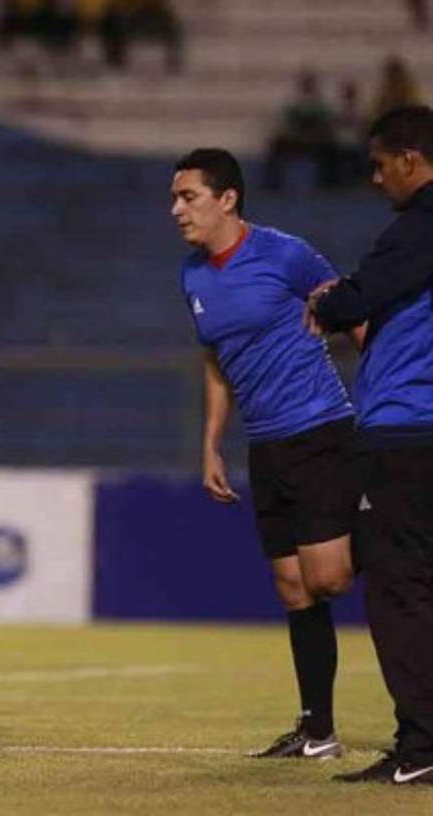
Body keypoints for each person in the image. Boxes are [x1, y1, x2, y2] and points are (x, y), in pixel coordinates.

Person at [173, 148, 360, 760]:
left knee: (328, 575)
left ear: (228, 199)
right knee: (293, 588)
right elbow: (217, 362)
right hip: (267, 445)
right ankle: (318, 731)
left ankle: (399, 533)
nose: (177, 210)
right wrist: (210, 443)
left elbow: (354, 320)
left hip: (322, 430)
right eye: (175, 199)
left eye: (189, 197)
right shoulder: (193, 276)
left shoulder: (287, 254)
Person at [306, 106, 433, 786]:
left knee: (400, 590)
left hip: (408, 432)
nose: (376, 179)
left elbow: (356, 300)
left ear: (412, 160)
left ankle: (423, 745)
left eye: (382, 166)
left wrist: (329, 303)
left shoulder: (417, 229)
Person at [263, 71, 339, 191]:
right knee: (276, 145)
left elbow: (328, 125)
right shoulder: (293, 105)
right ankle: (272, 181)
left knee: (332, 149)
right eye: (305, 83)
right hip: (296, 140)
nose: (307, 86)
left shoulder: (321, 105)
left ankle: (329, 181)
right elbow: (285, 125)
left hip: (316, 141)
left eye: (309, 83)